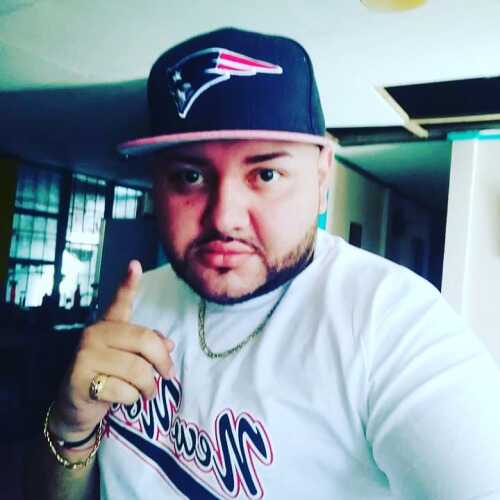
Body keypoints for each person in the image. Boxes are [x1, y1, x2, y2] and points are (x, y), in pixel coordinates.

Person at [26, 27, 500, 500]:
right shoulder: (137, 302)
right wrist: (71, 426)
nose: (223, 217)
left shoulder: (391, 325)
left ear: (321, 175)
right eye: (189, 176)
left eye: (266, 174)